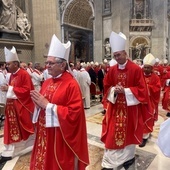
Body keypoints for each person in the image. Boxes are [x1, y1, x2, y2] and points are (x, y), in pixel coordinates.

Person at [30, 34, 89, 170]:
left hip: (60, 136)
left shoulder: (71, 84)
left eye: (51, 63)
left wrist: (47, 105)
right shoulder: (47, 81)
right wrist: (39, 105)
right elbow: (43, 104)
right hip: (45, 133)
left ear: (62, 64)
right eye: (47, 63)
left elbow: (74, 114)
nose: (47, 66)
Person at [101, 31, 148, 170]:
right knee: (112, 133)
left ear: (125, 53)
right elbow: (106, 85)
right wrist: (114, 90)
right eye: (115, 55)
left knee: (128, 133)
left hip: (130, 108)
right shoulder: (112, 69)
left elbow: (142, 90)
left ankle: (128, 157)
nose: (117, 57)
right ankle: (110, 162)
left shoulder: (135, 69)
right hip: (116, 108)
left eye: (118, 55)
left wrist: (126, 91)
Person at [0, 46, 35, 165]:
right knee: (10, 129)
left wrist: (9, 89)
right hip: (12, 108)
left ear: (16, 63)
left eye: (8, 63)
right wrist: (7, 89)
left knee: (22, 129)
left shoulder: (24, 74)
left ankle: (20, 147)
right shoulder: (13, 75)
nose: (7, 66)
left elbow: (27, 90)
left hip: (21, 107)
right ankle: (9, 150)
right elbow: (14, 89)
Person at [139, 53, 161, 147]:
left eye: (148, 68)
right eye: (145, 67)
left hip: (149, 103)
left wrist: (147, 88)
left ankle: (145, 137)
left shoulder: (155, 78)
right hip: (140, 102)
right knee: (139, 119)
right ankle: (139, 134)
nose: (146, 69)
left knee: (147, 119)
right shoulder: (140, 75)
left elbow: (157, 89)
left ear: (152, 68)